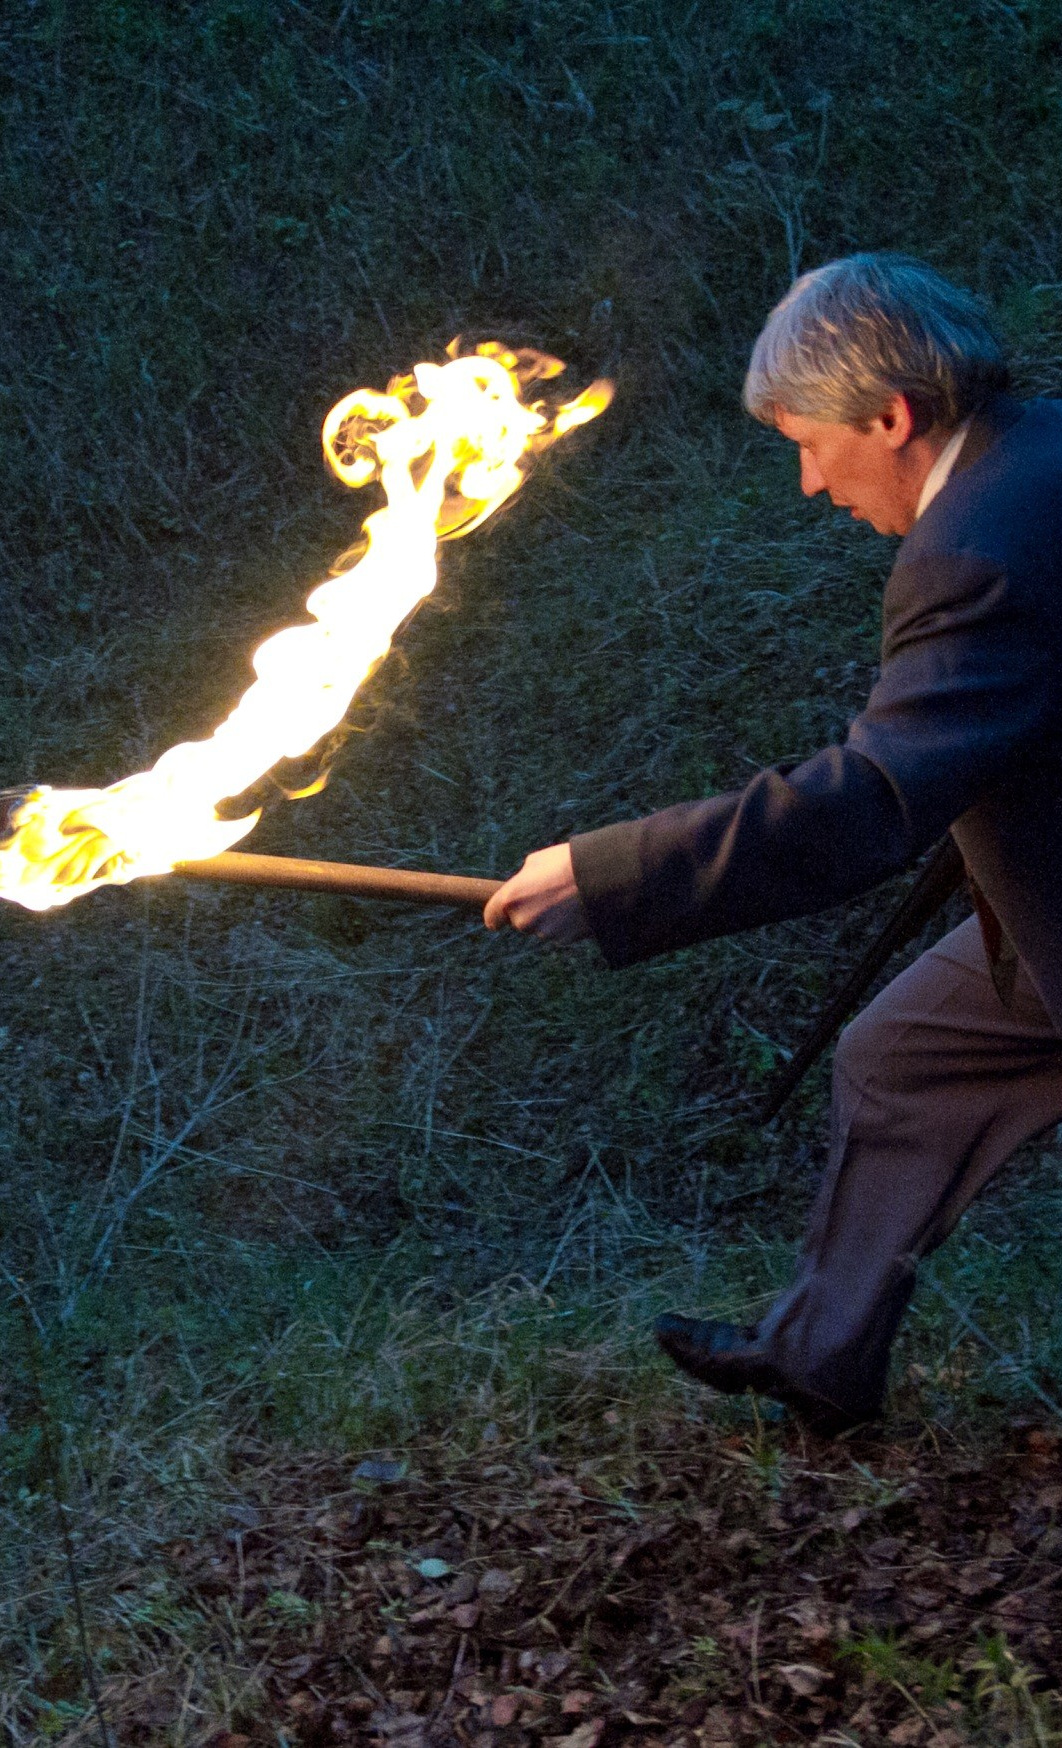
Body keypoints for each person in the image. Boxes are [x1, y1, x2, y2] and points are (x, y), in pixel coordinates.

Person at [483, 253, 1062, 1435]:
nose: (805, 483)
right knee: (903, 1054)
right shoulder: (1035, 458)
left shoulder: (975, 550)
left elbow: (865, 800)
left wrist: (610, 875)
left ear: (890, 415)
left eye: (808, 444)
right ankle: (816, 1355)